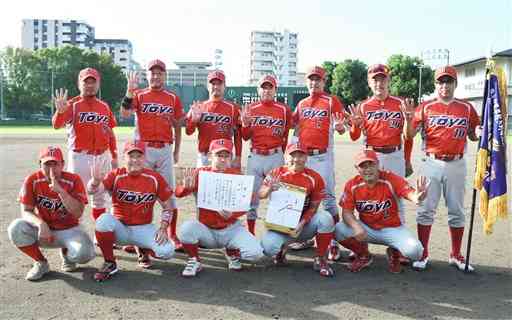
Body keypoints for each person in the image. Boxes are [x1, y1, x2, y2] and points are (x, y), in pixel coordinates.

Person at [407, 66, 480, 272]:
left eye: (449, 82)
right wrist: (408, 118)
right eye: (441, 82)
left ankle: (455, 254)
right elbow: (410, 135)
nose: (445, 86)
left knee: (456, 210)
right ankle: (423, 252)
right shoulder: (426, 107)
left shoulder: (466, 108)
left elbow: (473, 135)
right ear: (435, 85)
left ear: (455, 84)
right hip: (431, 162)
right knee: (425, 209)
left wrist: (479, 130)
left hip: (457, 163)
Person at [344, 63, 416, 263]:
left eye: (383, 79)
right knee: (364, 197)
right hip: (371, 155)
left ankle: (396, 247)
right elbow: (354, 136)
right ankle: (360, 244)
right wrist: (356, 125)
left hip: (394, 154)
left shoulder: (401, 104)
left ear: (389, 81)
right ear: (369, 82)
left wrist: (409, 121)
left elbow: (409, 136)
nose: (379, 83)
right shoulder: (364, 106)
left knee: (397, 199)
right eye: (375, 79)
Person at [88, 140, 175, 282]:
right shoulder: (116, 175)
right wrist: (95, 182)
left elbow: (168, 206)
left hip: (143, 227)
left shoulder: (154, 178)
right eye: (131, 156)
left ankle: (143, 249)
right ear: (124, 158)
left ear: (144, 158)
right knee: (103, 221)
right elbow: (93, 191)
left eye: (139, 156)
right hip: (120, 228)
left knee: (167, 251)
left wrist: (164, 227)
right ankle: (110, 263)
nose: (135, 160)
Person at [176, 139, 264, 277]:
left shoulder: (237, 176)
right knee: (186, 229)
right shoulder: (200, 173)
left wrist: (233, 214)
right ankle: (194, 260)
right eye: (219, 155)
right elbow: (178, 194)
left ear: (231, 157)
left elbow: (247, 202)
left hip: (231, 229)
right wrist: (185, 187)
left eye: (226, 156)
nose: (223, 159)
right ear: (210, 156)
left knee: (255, 253)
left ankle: (231, 251)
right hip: (206, 230)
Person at [120, 59, 184, 249]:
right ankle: (133, 237)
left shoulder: (172, 97)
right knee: (139, 192)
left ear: (164, 75)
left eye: (159, 72)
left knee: (169, 194)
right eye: (152, 72)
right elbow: (124, 114)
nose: (156, 76)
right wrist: (129, 91)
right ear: (147, 75)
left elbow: (178, 126)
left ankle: (172, 234)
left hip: (164, 149)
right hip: (143, 151)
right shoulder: (138, 95)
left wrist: (177, 151)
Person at [7, 146, 94, 281]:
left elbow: (78, 213)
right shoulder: (32, 180)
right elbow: (26, 211)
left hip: (69, 229)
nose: (52, 169)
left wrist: (61, 192)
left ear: (63, 164)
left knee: (85, 254)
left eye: (56, 164)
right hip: (44, 232)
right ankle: (41, 263)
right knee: (16, 228)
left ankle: (66, 253)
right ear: (40, 164)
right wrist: (41, 224)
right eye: (47, 164)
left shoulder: (73, 180)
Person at [335, 150, 427, 273]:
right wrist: (356, 226)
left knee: (416, 252)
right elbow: (346, 212)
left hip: (392, 229)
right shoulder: (352, 185)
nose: (368, 170)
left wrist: (417, 197)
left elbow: (408, 192)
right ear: (357, 168)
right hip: (367, 229)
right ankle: (363, 255)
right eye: (363, 166)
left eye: (371, 165)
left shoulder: (390, 179)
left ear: (378, 165)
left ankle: (394, 252)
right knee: (338, 229)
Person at [290, 66, 345, 256]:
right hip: (303, 159)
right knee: (302, 198)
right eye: (311, 79)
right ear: (307, 82)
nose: (314, 83)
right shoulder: (302, 104)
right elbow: (294, 128)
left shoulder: (331, 101)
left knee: (328, 199)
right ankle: (305, 238)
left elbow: (342, 127)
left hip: (323, 156)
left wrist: (339, 127)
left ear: (324, 82)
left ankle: (335, 241)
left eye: (318, 79)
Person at [260, 143, 335, 277]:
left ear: (306, 158)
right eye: (292, 155)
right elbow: (261, 194)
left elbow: (314, 207)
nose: (296, 159)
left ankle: (320, 257)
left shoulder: (314, 177)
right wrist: (269, 188)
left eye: (300, 156)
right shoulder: (276, 173)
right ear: (286, 156)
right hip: (280, 225)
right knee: (268, 248)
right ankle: (281, 250)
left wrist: (302, 223)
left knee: (326, 218)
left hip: (303, 226)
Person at [52, 67, 117, 221]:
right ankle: (73, 232)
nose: (89, 85)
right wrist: (60, 112)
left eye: (93, 82)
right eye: (85, 82)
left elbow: (110, 132)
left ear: (98, 84)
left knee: (101, 197)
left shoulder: (104, 106)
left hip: (102, 155)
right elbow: (56, 124)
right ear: (79, 84)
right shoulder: (71, 104)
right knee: (76, 196)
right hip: (80, 156)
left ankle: (100, 234)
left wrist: (113, 155)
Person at [241, 75, 293, 235]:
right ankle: (250, 234)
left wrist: (281, 155)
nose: (267, 90)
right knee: (252, 198)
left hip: (275, 156)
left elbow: (285, 135)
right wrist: (245, 124)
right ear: (258, 89)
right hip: (255, 157)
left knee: (278, 198)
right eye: (264, 87)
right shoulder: (251, 108)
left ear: (275, 90)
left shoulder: (284, 110)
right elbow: (245, 136)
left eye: (270, 87)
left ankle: (277, 235)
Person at [185, 70, 242, 168]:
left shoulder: (233, 108)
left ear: (225, 86)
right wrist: (194, 121)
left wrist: (238, 157)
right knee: (202, 183)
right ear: (208, 86)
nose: (216, 87)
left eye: (219, 84)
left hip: (224, 156)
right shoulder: (199, 107)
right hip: (205, 156)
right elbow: (188, 131)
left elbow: (238, 135)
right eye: (213, 84)